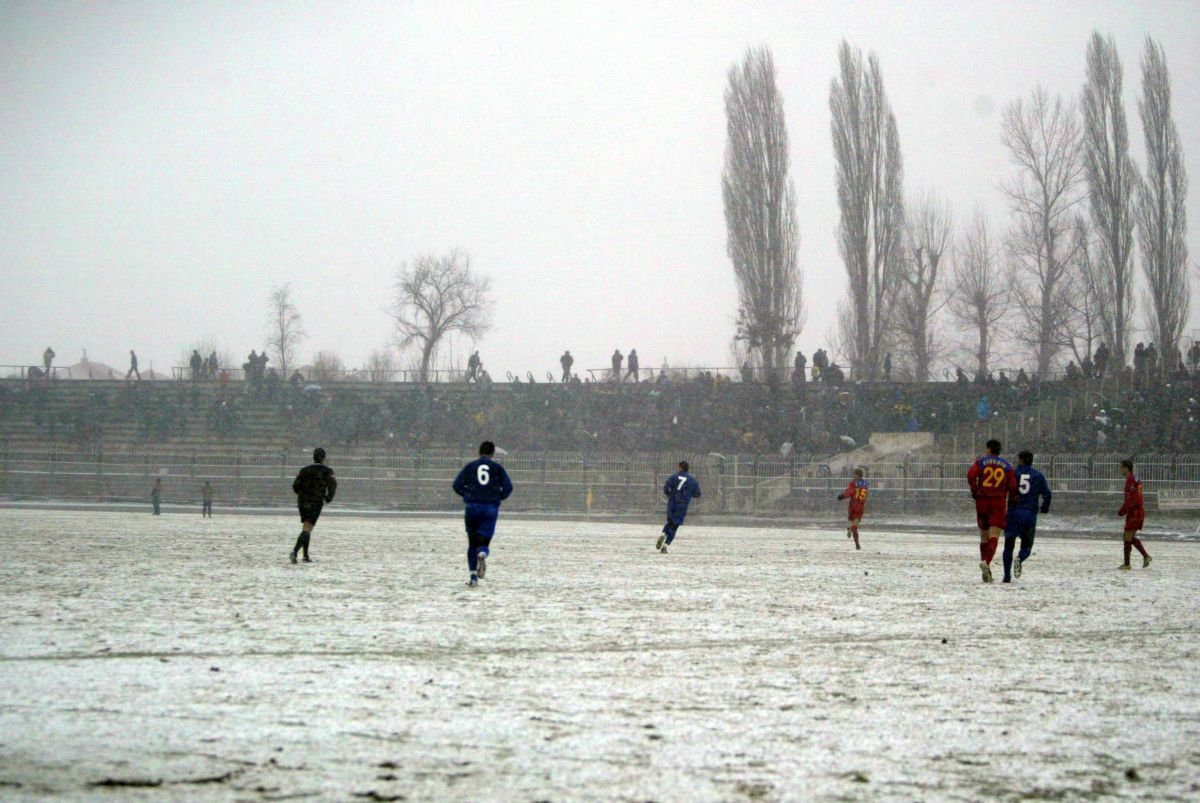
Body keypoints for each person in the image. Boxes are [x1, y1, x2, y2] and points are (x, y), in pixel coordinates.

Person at [452, 441, 513, 586]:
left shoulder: (470, 466)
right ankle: (483, 553)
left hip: (472, 506)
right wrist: (498, 497)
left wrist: (467, 495)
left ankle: (473, 577)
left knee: (472, 542)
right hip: (489, 508)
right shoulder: (497, 468)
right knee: (484, 540)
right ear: (492, 454)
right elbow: (509, 487)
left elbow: (456, 485)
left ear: (479, 452)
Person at [966, 439, 1016, 583]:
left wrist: (975, 491)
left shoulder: (981, 462)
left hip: (982, 500)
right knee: (994, 535)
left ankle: (984, 561)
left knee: (984, 536)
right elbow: (1013, 485)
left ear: (988, 449)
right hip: (998, 501)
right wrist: (1011, 499)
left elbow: (970, 476)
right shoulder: (1007, 466)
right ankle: (986, 563)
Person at [1002, 450, 1051, 583]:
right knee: (1027, 546)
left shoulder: (1013, 474)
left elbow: (1003, 490)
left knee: (1008, 546)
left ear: (1021, 460)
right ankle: (1020, 558)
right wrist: (1044, 508)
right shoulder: (1038, 475)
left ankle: (1007, 575)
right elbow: (1047, 494)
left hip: (1013, 513)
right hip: (1029, 514)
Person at [290, 447, 337, 564]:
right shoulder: (327, 471)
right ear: (324, 458)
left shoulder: (304, 470)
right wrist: (328, 497)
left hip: (302, 501)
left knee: (306, 526)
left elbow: (295, 486)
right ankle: (294, 552)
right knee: (308, 527)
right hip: (315, 501)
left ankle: (305, 555)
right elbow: (333, 485)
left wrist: (302, 494)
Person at [656, 460, 701, 554]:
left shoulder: (673, 477)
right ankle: (665, 545)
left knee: (669, 522)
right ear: (687, 469)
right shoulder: (691, 480)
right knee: (675, 526)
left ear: (680, 467)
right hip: (682, 504)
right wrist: (688, 494)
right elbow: (697, 494)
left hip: (672, 502)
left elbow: (666, 487)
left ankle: (663, 534)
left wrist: (669, 495)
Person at [1117, 459, 1150, 570]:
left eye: (1121, 467)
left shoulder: (1130, 481)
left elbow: (1131, 499)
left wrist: (1122, 510)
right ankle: (1144, 557)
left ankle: (1128, 564)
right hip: (1137, 511)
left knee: (1127, 537)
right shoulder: (1135, 479)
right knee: (1128, 537)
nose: (1120, 469)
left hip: (1135, 511)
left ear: (1126, 468)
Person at [837, 467, 868, 550]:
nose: (853, 476)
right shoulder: (865, 484)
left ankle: (857, 543)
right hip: (860, 506)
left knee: (854, 526)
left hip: (853, 506)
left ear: (857, 475)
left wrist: (842, 496)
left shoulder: (853, 483)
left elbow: (850, 492)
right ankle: (856, 543)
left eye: (854, 474)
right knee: (855, 525)